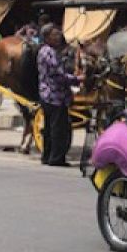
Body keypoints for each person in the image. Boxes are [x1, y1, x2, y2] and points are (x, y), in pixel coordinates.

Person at [37, 25, 78, 167]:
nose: (58, 37)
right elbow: (58, 75)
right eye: (55, 35)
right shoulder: (49, 52)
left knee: (49, 128)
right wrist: (77, 79)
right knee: (58, 129)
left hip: (47, 95)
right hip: (55, 96)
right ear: (47, 37)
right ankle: (56, 158)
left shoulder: (45, 51)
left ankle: (47, 156)